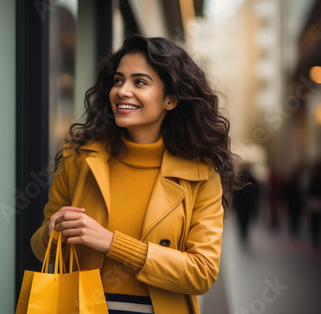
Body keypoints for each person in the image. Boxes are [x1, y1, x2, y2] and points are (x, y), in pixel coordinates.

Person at [31, 34, 240, 314]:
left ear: (170, 99)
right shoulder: (80, 159)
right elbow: (41, 247)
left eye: (139, 82)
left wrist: (111, 243)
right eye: (118, 80)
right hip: (79, 307)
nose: (122, 91)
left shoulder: (201, 175)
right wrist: (51, 233)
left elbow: (202, 272)